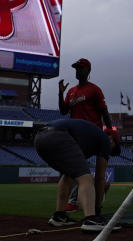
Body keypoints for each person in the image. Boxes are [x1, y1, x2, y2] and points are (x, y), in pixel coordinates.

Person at [33, 118, 121, 232]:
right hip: (57, 136)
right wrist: (97, 209)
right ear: (112, 139)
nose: (109, 152)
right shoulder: (105, 139)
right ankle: (91, 220)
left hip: (40, 138)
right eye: (112, 148)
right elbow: (99, 178)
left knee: (69, 175)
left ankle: (59, 216)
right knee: (86, 178)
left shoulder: (89, 140)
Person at [58, 58, 114, 211]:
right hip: (76, 136)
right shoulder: (71, 92)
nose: (78, 70)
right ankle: (95, 196)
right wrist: (60, 94)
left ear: (88, 70)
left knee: (75, 169)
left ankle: (75, 202)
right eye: (76, 68)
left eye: (81, 68)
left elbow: (104, 112)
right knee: (74, 169)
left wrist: (110, 132)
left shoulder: (94, 89)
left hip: (92, 134)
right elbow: (63, 111)